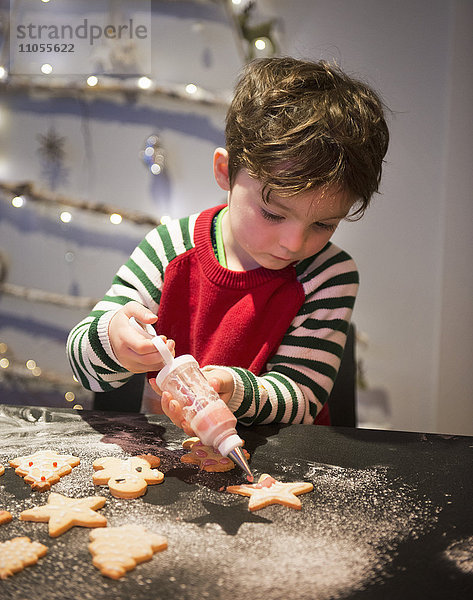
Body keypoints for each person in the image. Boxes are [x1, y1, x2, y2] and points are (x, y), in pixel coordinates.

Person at [67, 56, 389, 430]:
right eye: (273, 214)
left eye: (323, 224)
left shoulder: (329, 274)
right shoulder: (170, 248)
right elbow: (83, 365)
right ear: (225, 171)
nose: (293, 243)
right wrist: (112, 340)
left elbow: (302, 399)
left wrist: (234, 391)